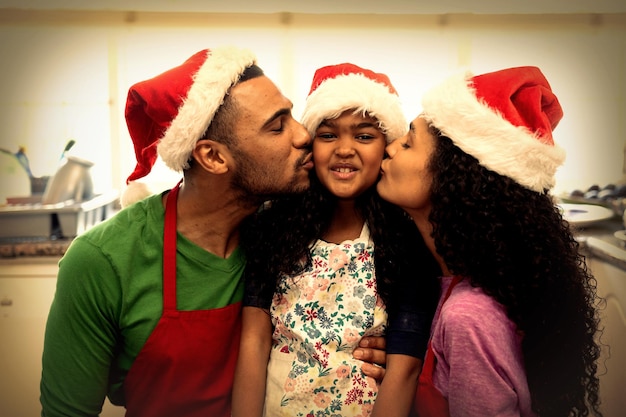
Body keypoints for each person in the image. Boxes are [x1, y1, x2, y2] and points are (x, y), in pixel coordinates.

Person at [39, 47, 387, 417]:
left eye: (292, 116)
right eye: (277, 125)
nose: (304, 135)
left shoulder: (291, 233)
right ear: (214, 157)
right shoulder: (102, 262)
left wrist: (373, 348)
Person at [377, 66, 604, 417]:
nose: (390, 148)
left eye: (408, 143)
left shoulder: (468, 317)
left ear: (451, 176)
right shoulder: (450, 282)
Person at [232, 63, 441, 417]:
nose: (344, 149)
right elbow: (254, 341)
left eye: (363, 136)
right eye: (328, 135)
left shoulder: (407, 242)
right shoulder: (273, 228)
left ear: (387, 149)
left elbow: (403, 371)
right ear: (310, 143)